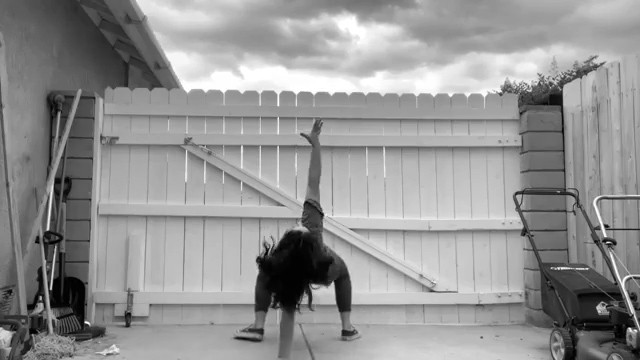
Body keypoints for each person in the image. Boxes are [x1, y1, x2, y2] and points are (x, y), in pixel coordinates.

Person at [233, 118, 361, 357]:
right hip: (323, 268)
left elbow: (287, 318)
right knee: (343, 273)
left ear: (285, 245)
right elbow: (315, 179)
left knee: (266, 274)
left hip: (301, 267)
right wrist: (316, 145)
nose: (296, 226)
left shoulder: (283, 265)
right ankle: (347, 329)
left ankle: (258, 327)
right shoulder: (312, 225)